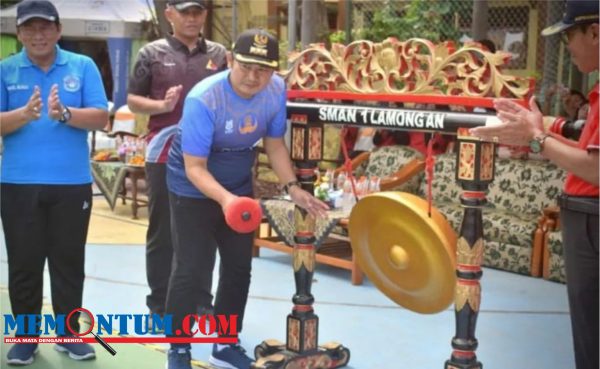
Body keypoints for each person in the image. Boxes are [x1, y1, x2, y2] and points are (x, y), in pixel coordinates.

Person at [164, 28, 329, 369]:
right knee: (191, 269)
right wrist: (226, 201)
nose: (254, 77)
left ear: (274, 72)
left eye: (264, 69)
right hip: (191, 185)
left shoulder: (275, 92)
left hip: (238, 183)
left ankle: (225, 344)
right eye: (247, 66)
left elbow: (274, 144)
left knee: (239, 267)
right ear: (229, 60)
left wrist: (292, 188)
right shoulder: (204, 98)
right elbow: (195, 167)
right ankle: (178, 347)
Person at [470, 2, 598, 369]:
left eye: (570, 35)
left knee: (593, 336)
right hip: (586, 218)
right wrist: (541, 128)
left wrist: (537, 138)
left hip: (594, 222)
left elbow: (597, 169)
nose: (567, 47)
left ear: (594, 32)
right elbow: (588, 144)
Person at [0, 0, 109, 365]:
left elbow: (100, 118)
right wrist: (23, 114)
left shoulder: (82, 65)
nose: (38, 35)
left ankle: (69, 333)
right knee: (24, 263)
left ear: (58, 31)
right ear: (19, 34)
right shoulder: (6, 69)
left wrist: (64, 113)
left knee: (67, 261)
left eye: (45, 27)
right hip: (18, 184)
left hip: (71, 183)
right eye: (29, 28)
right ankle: (26, 338)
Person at [127, 0, 227, 323]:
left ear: (205, 16)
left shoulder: (219, 55)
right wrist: (160, 104)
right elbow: (131, 100)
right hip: (164, 150)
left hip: (208, 154)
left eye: (198, 12)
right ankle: (159, 303)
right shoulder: (150, 53)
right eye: (185, 12)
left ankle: (202, 302)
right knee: (163, 230)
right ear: (169, 14)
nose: (192, 18)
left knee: (205, 228)